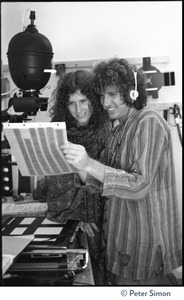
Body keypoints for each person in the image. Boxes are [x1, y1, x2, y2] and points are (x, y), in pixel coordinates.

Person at [61, 58, 182, 285]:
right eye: (102, 95)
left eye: (113, 94)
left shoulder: (148, 122)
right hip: (121, 245)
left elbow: (138, 185)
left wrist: (88, 163)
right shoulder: (120, 129)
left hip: (142, 250)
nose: (105, 102)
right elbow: (100, 180)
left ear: (132, 93)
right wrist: (70, 165)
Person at [33, 69, 109, 284]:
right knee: (61, 279)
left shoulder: (107, 133)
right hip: (61, 221)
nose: (79, 110)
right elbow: (51, 178)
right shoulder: (57, 132)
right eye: (71, 103)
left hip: (93, 227)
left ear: (93, 100)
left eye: (83, 101)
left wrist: (85, 214)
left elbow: (109, 182)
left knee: (91, 279)